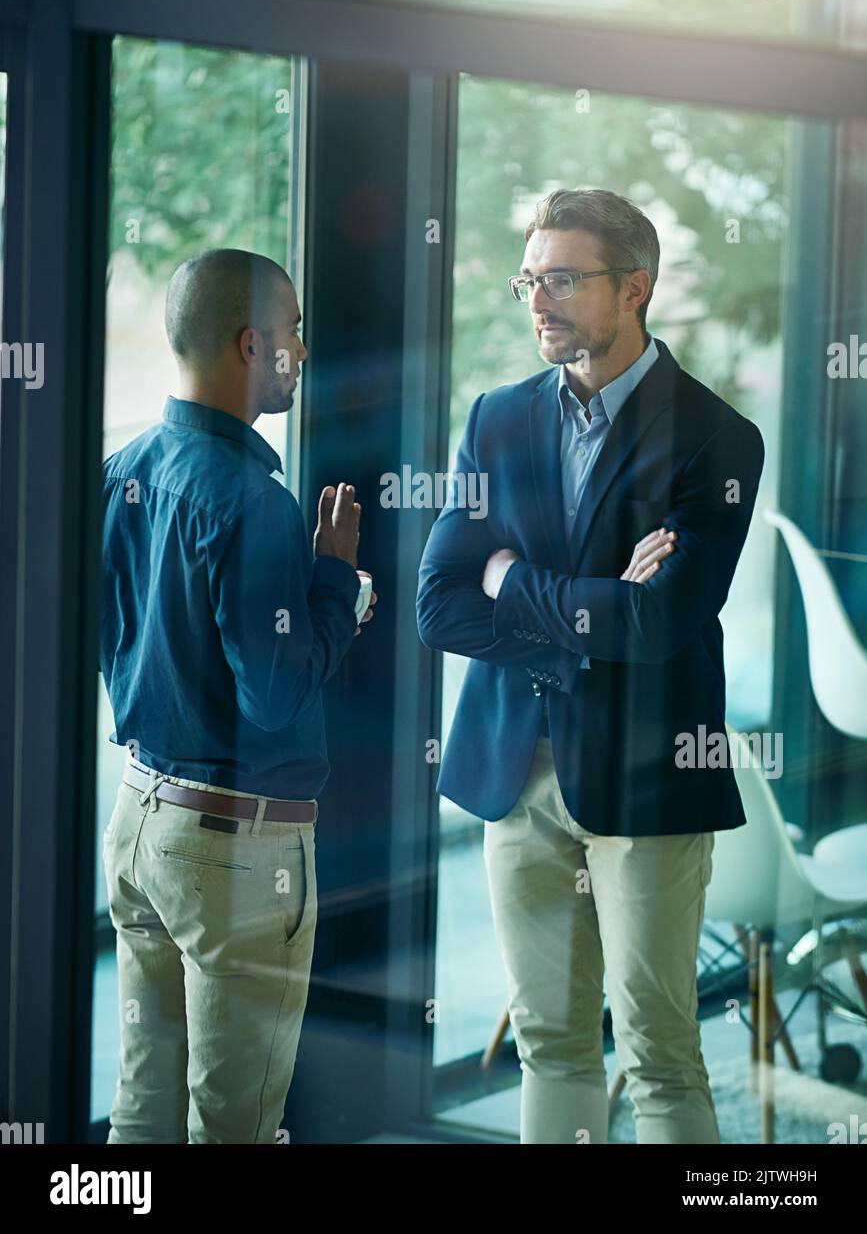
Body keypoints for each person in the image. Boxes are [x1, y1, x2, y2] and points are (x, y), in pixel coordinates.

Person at [416, 188, 764, 1144]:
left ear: (634, 288)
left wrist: (509, 577)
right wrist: (591, 596)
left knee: (656, 1049)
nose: (539, 301)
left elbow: (660, 624)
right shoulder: (495, 420)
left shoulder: (716, 439)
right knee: (550, 1042)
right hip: (516, 772)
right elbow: (439, 602)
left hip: (645, 781)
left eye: (564, 280)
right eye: (530, 280)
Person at [100, 248, 376, 1143]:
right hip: (234, 851)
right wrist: (336, 583)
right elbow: (277, 694)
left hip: (140, 821)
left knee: (142, 1104)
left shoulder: (122, 469)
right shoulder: (255, 503)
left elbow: (114, 641)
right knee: (235, 1127)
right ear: (252, 345)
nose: (303, 347)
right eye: (293, 331)